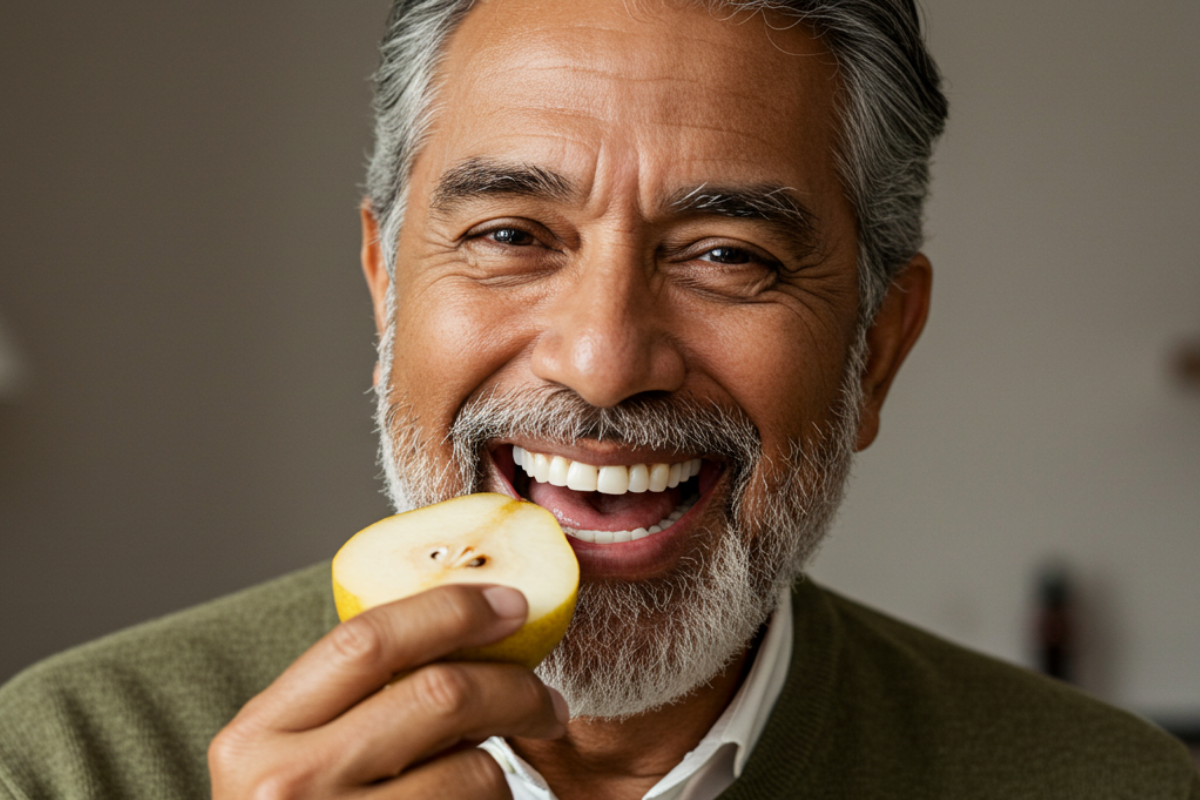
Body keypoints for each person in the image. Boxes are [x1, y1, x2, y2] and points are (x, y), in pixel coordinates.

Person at [1, 0, 1196, 798]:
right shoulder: (60, 761)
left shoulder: (1115, 786)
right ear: (386, 289)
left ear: (877, 346)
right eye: (511, 234)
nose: (604, 360)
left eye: (727, 254)